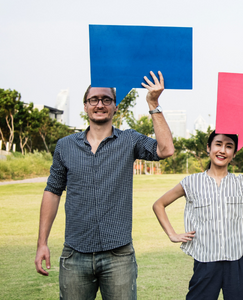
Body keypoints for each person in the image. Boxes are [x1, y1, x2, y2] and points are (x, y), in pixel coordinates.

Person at [34, 71, 175, 299]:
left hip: (118, 255)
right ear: (85, 106)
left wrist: (153, 103)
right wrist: (42, 243)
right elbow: (52, 192)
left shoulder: (130, 140)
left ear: (115, 106)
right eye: (94, 100)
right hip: (75, 254)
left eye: (106, 100)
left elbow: (166, 149)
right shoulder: (65, 146)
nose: (100, 104)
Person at [153, 127, 243, 300]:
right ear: (208, 148)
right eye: (218, 144)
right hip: (205, 262)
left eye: (229, 146)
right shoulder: (191, 182)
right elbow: (159, 204)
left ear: (234, 153)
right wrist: (172, 234)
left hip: (238, 262)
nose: (222, 150)